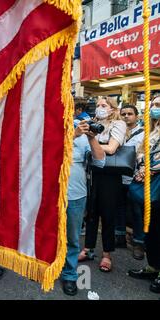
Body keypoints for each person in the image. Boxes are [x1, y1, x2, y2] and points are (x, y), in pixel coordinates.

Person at [61, 104, 105, 296]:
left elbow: (100, 161)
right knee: (50, 234)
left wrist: (91, 137)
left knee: (72, 238)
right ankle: (47, 267)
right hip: (51, 194)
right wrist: (74, 135)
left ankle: (70, 275)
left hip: (76, 195)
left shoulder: (82, 127)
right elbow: (48, 152)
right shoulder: (50, 126)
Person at [79, 96, 126, 273]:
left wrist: (92, 144)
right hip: (93, 172)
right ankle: (88, 248)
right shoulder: (92, 122)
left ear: (113, 109)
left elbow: (112, 148)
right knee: (91, 213)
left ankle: (107, 254)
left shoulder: (118, 125)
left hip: (110, 175)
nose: (100, 108)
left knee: (108, 214)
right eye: (98, 105)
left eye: (104, 105)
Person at [128, 95, 160, 294]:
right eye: (153, 104)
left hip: (155, 182)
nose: (154, 108)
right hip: (148, 183)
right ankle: (153, 266)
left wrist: (150, 170)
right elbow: (142, 153)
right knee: (152, 230)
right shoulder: (152, 130)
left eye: (158, 105)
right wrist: (142, 168)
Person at [116, 105, 144, 256]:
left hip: (136, 177)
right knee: (118, 207)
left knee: (137, 210)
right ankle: (119, 235)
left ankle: (139, 242)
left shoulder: (144, 134)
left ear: (137, 116)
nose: (126, 116)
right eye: (124, 114)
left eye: (130, 114)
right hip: (118, 175)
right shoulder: (117, 131)